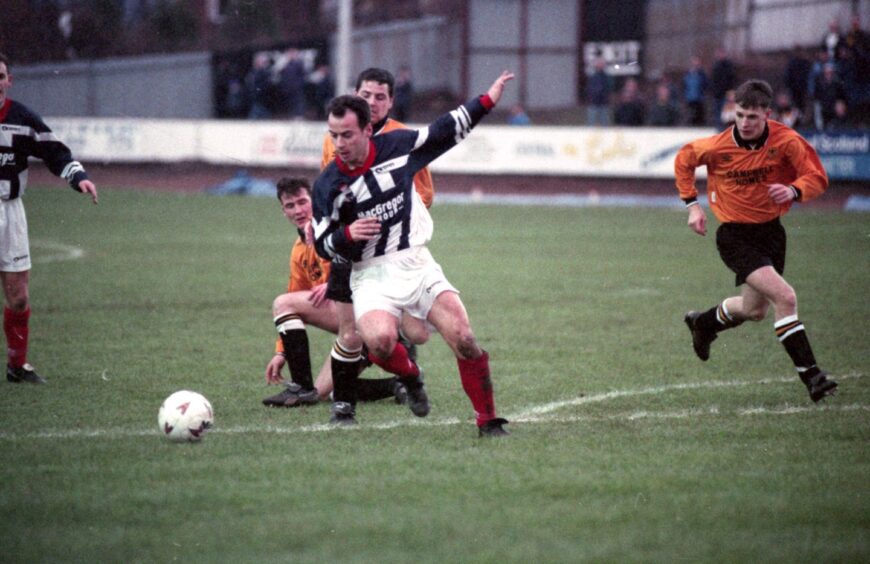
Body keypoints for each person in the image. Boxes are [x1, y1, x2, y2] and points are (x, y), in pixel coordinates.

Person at [311, 70, 515, 436]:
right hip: (370, 273)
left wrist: (486, 100)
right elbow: (321, 243)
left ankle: (488, 421)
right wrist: (346, 235)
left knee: (465, 338)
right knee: (379, 341)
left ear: (368, 130)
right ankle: (411, 375)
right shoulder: (327, 185)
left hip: (415, 261)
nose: (339, 143)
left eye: (347, 135)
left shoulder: (399, 146)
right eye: (334, 135)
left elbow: (444, 130)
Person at [265, 67, 436, 410]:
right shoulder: (336, 138)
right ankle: (386, 383)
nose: (371, 101)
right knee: (349, 336)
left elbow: (425, 193)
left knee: (401, 326)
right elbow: (328, 189)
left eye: (380, 96)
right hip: (347, 251)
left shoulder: (403, 137)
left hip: (388, 252)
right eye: (365, 95)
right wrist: (326, 222)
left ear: (390, 101)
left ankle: (401, 363)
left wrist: (386, 211)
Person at [675, 79, 837, 403]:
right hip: (735, 236)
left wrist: (793, 189)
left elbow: (817, 176)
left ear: (768, 114)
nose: (745, 123)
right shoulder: (717, 147)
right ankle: (812, 377)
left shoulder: (787, 141)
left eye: (753, 116)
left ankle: (703, 324)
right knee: (786, 297)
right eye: (740, 115)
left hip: (771, 233)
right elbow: (684, 160)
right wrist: (692, 205)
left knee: (754, 310)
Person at [261, 177, 408, 407]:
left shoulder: (337, 228)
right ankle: (398, 385)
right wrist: (281, 353)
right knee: (323, 393)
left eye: (302, 202)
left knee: (282, 303)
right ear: (283, 212)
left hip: (374, 317)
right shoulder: (299, 251)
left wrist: (334, 283)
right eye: (290, 206)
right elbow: (296, 296)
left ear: (315, 201)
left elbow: (369, 260)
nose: (298, 210)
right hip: (351, 329)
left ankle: (301, 386)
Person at [0, 52, 98, 384]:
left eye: (0, 76)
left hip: (10, 211)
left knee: (19, 297)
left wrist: (77, 176)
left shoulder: (22, 118)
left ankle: (17, 366)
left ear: (9, 81)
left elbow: (55, 151)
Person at [710, 48, 738, 128]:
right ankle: (719, 129)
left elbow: (732, 79)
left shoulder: (729, 66)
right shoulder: (715, 66)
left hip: (726, 93)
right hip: (717, 94)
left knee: (726, 114)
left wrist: (730, 91)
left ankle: (725, 129)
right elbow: (713, 80)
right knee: (717, 113)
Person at [683, 55, 709, 126]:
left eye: (697, 62)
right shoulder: (687, 74)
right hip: (690, 98)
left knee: (699, 115)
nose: (695, 63)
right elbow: (684, 85)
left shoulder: (702, 74)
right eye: (694, 62)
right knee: (690, 115)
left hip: (699, 98)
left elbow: (706, 85)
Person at [586, 58, 612, 126]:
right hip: (593, 103)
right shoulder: (592, 76)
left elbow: (609, 87)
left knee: (605, 123)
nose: (600, 65)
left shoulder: (607, 76)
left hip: (603, 103)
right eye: (599, 63)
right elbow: (589, 88)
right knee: (591, 123)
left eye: (602, 64)